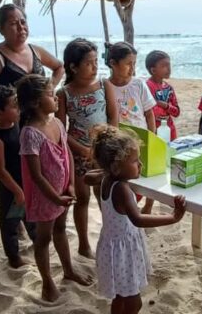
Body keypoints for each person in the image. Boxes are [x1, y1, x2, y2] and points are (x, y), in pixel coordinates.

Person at [91, 125, 186, 314]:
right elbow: (138, 219)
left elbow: (88, 177)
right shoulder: (122, 189)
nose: (140, 165)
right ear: (116, 166)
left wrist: (107, 171)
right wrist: (173, 217)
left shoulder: (106, 179)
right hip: (123, 252)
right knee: (135, 303)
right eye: (135, 161)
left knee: (120, 296)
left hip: (113, 248)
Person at [18, 74, 93, 301]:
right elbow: (36, 176)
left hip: (62, 191)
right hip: (45, 197)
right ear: (34, 103)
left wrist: (69, 185)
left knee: (60, 229)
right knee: (43, 238)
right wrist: (54, 197)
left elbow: (67, 154)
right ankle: (47, 282)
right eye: (50, 95)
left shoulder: (57, 123)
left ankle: (68, 270)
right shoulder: (30, 133)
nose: (56, 98)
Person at [56, 38, 118, 259]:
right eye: (89, 63)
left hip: (103, 151)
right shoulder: (64, 93)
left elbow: (113, 116)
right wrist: (82, 150)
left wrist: (108, 144)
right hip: (78, 153)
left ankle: (111, 238)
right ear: (73, 67)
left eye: (95, 62)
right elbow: (61, 130)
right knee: (82, 199)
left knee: (105, 197)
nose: (94, 67)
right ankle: (83, 244)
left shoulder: (104, 85)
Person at [0, 85, 35, 268]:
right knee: (9, 225)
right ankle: (14, 258)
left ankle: (38, 245)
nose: (18, 109)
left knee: (31, 220)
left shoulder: (18, 125)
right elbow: (1, 170)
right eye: (13, 106)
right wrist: (17, 191)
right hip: (11, 191)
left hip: (25, 184)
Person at [105, 41, 156, 214]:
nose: (132, 68)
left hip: (141, 140)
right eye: (128, 63)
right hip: (119, 144)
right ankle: (129, 210)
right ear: (113, 63)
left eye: (134, 63)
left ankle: (148, 207)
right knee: (125, 180)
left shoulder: (138, 84)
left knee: (147, 175)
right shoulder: (105, 86)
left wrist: (152, 136)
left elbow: (149, 113)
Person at [145, 50, 180, 140]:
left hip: (169, 128)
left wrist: (165, 105)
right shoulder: (146, 87)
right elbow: (148, 111)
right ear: (153, 70)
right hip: (153, 129)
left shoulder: (169, 88)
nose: (169, 69)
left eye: (169, 65)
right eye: (164, 66)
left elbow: (176, 112)